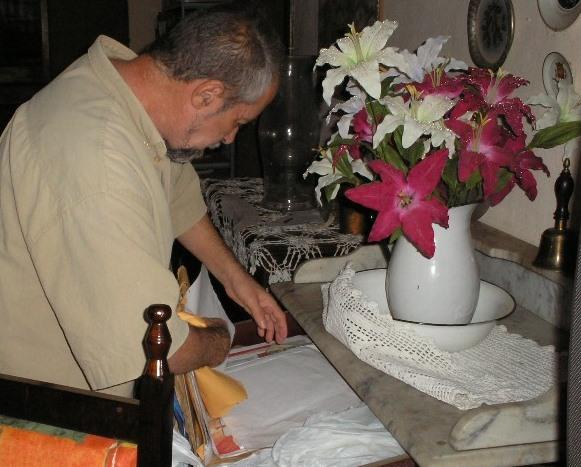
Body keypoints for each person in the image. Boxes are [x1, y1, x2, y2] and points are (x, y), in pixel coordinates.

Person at [0, 6, 287, 397]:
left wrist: (236, 280)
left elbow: (177, 196)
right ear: (207, 95)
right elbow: (158, 346)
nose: (231, 138)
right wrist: (220, 338)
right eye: (238, 122)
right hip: (50, 408)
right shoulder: (98, 164)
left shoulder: (122, 89)